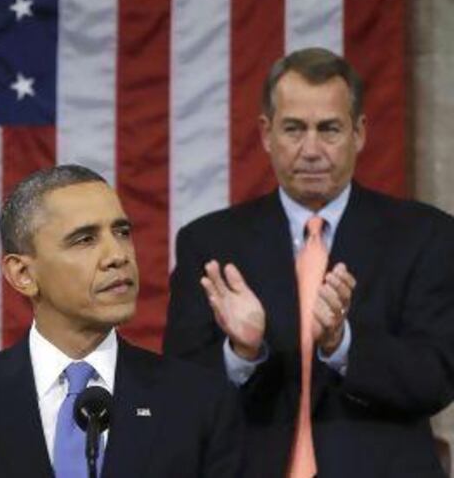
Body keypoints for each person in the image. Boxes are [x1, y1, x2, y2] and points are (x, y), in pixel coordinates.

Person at [164, 47, 454, 477]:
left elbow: (436, 378)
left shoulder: (424, 235)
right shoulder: (209, 243)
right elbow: (180, 391)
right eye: (294, 129)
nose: (312, 149)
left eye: (330, 129)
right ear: (266, 134)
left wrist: (343, 344)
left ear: (359, 133)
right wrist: (241, 353)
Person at [0, 165, 243, 478]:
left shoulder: (200, 404)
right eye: (85, 239)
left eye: (121, 232)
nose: (117, 256)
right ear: (22, 273)